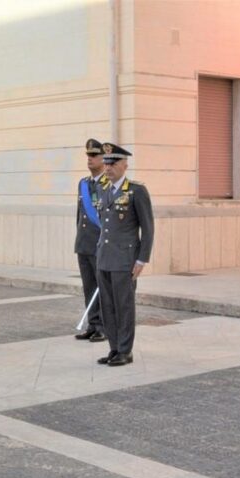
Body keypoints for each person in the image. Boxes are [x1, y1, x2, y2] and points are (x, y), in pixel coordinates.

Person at [94, 143, 154, 367]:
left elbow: (147, 228)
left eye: (113, 163)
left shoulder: (136, 191)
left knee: (124, 306)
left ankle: (125, 351)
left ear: (125, 165)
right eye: (106, 162)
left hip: (125, 260)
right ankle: (114, 347)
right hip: (105, 258)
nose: (108, 167)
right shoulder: (104, 189)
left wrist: (141, 259)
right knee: (107, 306)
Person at [74, 138, 108, 342]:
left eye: (94, 155)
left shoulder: (109, 184)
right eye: (88, 155)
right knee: (88, 287)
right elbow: (80, 216)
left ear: (104, 158)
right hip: (85, 244)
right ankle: (93, 324)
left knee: (102, 287)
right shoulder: (83, 184)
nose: (90, 159)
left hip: (101, 244)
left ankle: (104, 326)